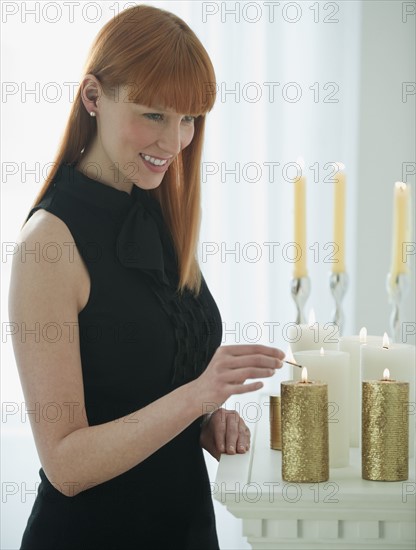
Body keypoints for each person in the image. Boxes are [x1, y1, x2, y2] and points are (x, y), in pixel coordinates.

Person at [8, 5, 284, 549]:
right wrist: (197, 396)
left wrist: (207, 420)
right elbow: (65, 464)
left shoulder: (158, 211)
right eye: (153, 115)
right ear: (93, 98)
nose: (174, 142)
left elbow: (149, 388)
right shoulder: (47, 245)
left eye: (188, 119)